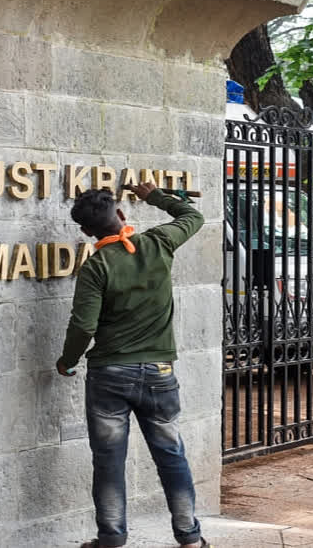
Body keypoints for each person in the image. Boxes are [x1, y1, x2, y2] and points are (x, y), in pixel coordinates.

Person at [56, 182, 209, 548]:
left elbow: (83, 325)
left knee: (108, 460)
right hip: (159, 373)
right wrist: (154, 194)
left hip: (109, 376)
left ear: (85, 231)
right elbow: (193, 215)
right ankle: (189, 537)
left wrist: (67, 362)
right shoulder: (158, 242)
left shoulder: (96, 266)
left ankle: (111, 537)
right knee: (171, 455)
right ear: (121, 216)